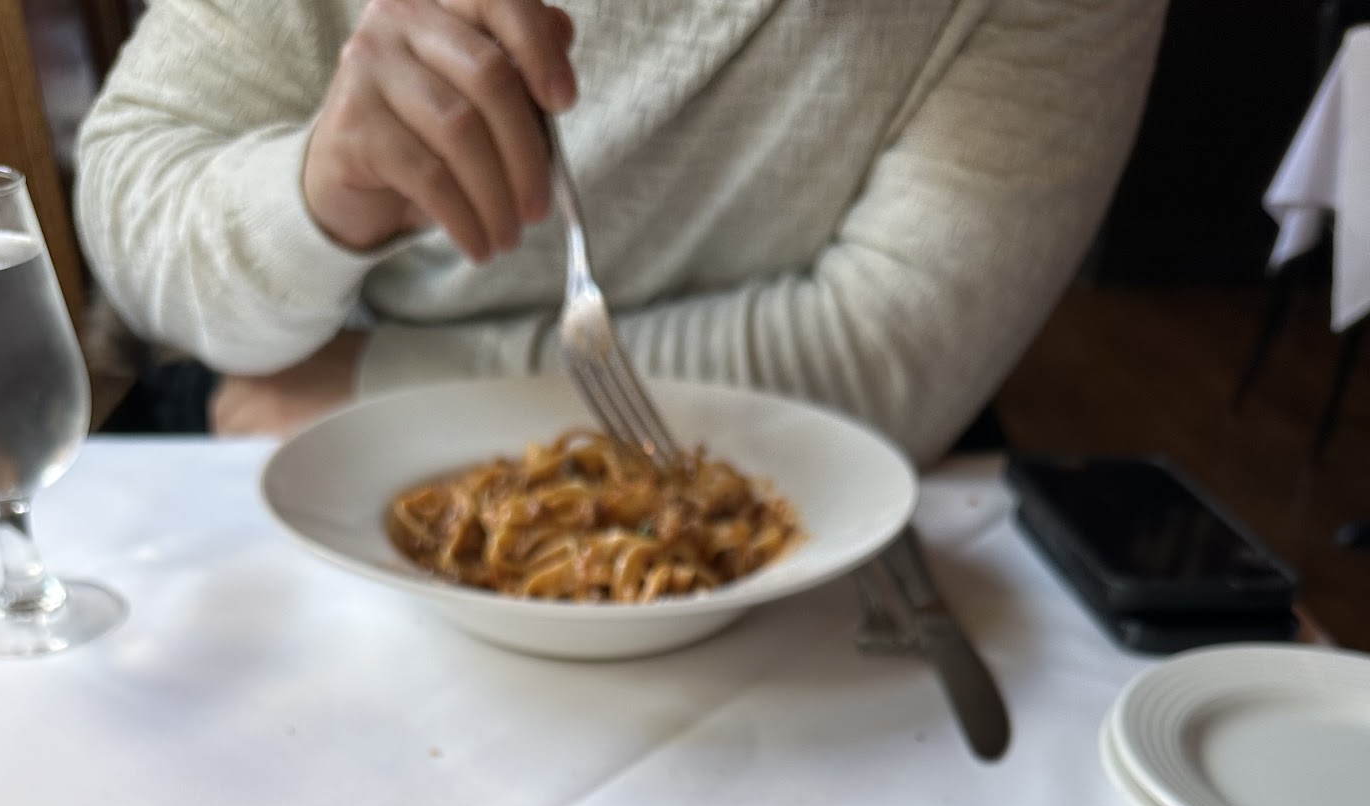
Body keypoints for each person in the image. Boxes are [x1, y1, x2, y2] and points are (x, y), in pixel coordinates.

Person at [76, 0, 1166, 462]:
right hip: (283, 420)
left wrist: (388, 386)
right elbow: (135, 210)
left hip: (806, 478)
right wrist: (317, 199)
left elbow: (887, 356)